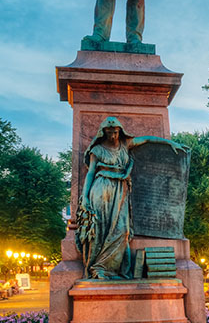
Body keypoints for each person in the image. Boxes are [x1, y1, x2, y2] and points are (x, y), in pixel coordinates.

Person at [75, 117, 188, 279]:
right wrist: (85, 196)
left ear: (120, 131)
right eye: (109, 132)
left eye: (115, 132)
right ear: (103, 132)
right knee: (101, 229)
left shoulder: (125, 145)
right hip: (101, 189)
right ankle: (98, 268)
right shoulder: (97, 150)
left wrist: (170, 144)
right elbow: (91, 172)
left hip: (121, 190)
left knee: (122, 230)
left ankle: (112, 268)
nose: (112, 135)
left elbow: (148, 139)